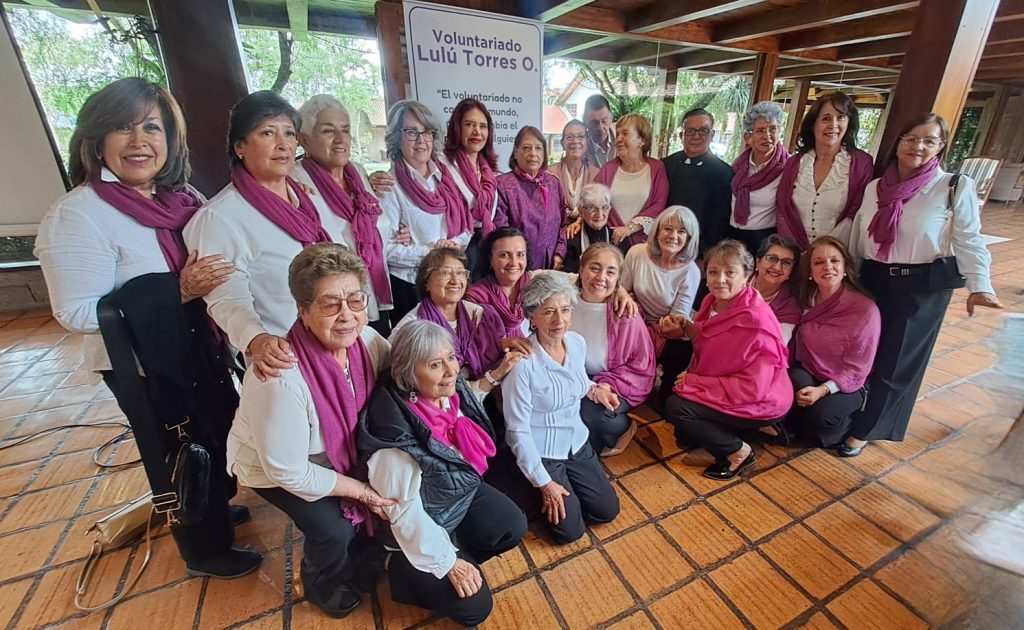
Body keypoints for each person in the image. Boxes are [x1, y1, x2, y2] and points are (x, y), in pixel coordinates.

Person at [35, 78, 260, 578]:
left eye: (152, 127)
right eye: (122, 127)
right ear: (95, 141)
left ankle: (214, 508)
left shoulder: (181, 198)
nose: (139, 141)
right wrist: (177, 291)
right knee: (178, 446)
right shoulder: (77, 215)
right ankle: (203, 549)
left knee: (215, 426)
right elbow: (75, 312)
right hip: (144, 363)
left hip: (200, 343)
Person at [227, 244, 394, 617]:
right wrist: (362, 492)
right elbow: (287, 470)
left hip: (336, 454)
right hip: (276, 469)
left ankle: (363, 560)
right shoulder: (281, 378)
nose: (348, 316)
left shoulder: (365, 342)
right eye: (330, 304)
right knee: (334, 529)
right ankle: (321, 584)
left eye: (355, 300)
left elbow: (401, 368)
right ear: (302, 311)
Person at [845, 113, 1003, 456]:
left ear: (940, 147)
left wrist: (980, 284)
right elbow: (860, 236)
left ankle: (867, 429)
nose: (918, 146)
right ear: (898, 142)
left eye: (929, 140)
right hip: (874, 277)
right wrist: (851, 277)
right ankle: (853, 410)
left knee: (897, 360)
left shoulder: (952, 186)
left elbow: (969, 239)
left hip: (919, 285)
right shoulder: (875, 188)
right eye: (911, 138)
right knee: (866, 351)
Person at [360, 320, 528, 627]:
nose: (451, 370)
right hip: (414, 520)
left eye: (451, 357)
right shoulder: (394, 439)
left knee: (512, 525)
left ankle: (450, 546)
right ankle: (398, 568)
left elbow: (465, 410)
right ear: (410, 373)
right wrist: (448, 563)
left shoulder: (444, 394)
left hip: (449, 497)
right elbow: (404, 513)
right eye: (436, 364)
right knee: (474, 608)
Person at [184, 91, 339, 381]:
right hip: (282, 355)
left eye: (289, 134)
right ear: (240, 146)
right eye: (268, 133)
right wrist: (257, 339)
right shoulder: (220, 218)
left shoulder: (307, 199)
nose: (283, 145)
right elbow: (226, 298)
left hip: (332, 340)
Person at [502, 274, 621, 543]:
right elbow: (517, 431)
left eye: (565, 310)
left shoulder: (576, 343)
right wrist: (544, 482)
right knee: (570, 531)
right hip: (543, 451)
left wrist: (595, 388)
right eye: (549, 312)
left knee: (606, 511)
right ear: (532, 317)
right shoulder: (522, 365)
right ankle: (527, 481)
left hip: (576, 442)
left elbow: (578, 382)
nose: (559, 321)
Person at [664, 240, 793, 480]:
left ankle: (739, 453)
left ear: (747, 275)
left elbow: (753, 387)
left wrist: (695, 383)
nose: (719, 279)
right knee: (685, 436)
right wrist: (685, 328)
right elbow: (712, 337)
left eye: (730, 272)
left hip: (762, 398)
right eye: (713, 272)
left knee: (676, 408)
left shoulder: (755, 321)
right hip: (730, 384)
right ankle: (743, 430)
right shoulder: (712, 301)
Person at [292, 94, 395, 335]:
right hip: (334, 306)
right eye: (328, 131)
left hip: (373, 290)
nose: (340, 139)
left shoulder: (358, 174)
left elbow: (377, 227)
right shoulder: (295, 181)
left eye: (346, 130)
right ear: (304, 140)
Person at [379, 100, 474, 323]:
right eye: (412, 132)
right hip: (411, 287)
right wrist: (434, 252)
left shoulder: (447, 176)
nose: (421, 140)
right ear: (396, 137)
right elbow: (388, 250)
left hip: (448, 282)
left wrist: (452, 246)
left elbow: (466, 227)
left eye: (427, 132)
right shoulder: (389, 186)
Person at [787, 236, 880, 447]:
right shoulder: (805, 299)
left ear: (845, 266)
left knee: (821, 417)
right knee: (788, 388)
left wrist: (823, 390)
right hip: (810, 370)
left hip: (848, 381)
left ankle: (845, 424)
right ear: (810, 272)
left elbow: (859, 366)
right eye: (818, 262)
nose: (827, 267)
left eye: (834, 261)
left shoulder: (864, 310)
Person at [391, 247, 523, 385]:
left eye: (461, 273)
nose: (455, 280)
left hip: (487, 395)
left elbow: (492, 354)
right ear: (426, 282)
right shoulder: (412, 327)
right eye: (446, 273)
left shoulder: (479, 314)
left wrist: (505, 345)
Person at [570, 244, 655, 456]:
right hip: (575, 375)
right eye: (594, 268)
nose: (601, 277)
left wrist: (606, 386)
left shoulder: (626, 314)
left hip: (614, 381)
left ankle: (624, 427)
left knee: (593, 415)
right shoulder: (565, 299)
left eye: (610, 272)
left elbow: (642, 365)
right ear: (581, 270)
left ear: (618, 279)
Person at [620, 206, 702, 404]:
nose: (673, 236)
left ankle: (665, 397)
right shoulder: (636, 253)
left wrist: (653, 328)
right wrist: (628, 299)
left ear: (689, 239)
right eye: (668, 229)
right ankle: (625, 388)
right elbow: (621, 290)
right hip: (635, 318)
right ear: (656, 231)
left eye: (682, 232)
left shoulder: (690, 271)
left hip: (666, 329)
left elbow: (676, 321)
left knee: (681, 351)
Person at [775, 92, 875, 250]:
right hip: (794, 251)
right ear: (813, 124)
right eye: (826, 118)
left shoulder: (862, 164)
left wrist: (823, 253)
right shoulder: (794, 163)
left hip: (837, 255)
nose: (833, 125)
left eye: (841, 117)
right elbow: (783, 209)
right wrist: (797, 253)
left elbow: (855, 213)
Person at [439, 98, 500, 274]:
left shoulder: (488, 169)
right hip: (456, 249)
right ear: (457, 128)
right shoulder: (443, 166)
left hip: (484, 246)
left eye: (483, 126)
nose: (477, 132)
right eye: (469, 124)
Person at [663, 108, 734, 257]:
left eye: (703, 131)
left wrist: (705, 256)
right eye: (690, 131)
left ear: (712, 134)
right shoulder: (665, 165)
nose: (696, 136)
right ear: (682, 135)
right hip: (664, 246)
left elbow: (720, 220)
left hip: (699, 252)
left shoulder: (724, 173)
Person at [494, 126, 566, 270]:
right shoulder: (503, 185)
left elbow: (564, 222)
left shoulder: (553, 183)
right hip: (516, 268)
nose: (533, 153)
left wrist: (559, 252)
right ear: (515, 152)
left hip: (552, 267)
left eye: (538, 148)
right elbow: (501, 232)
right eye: (526, 148)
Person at [595, 113, 670, 248]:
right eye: (617, 134)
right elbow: (592, 199)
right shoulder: (608, 169)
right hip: (611, 244)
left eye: (625, 133)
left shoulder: (657, 168)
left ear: (641, 140)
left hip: (644, 246)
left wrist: (630, 228)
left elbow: (659, 205)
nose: (618, 139)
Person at [730, 101, 789, 255]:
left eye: (773, 129)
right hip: (731, 237)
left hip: (763, 241)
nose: (767, 136)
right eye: (760, 130)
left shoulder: (787, 168)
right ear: (747, 137)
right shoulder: (737, 165)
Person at [562, 183, 627, 273]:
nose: (599, 214)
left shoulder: (619, 239)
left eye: (604, 208)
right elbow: (567, 276)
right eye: (592, 208)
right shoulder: (571, 239)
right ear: (581, 211)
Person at [751, 234, 802, 344]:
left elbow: (777, 343)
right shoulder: (738, 281)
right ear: (758, 261)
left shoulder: (790, 305)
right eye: (772, 259)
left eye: (786, 262)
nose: (777, 267)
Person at [548, 119, 599, 219]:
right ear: (562, 143)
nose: (575, 141)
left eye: (580, 136)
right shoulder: (550, 173)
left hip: (588, 232)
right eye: (570, 137)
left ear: (587, 142)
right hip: (556, 231)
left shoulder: (597, 174)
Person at [583, 94, 616, 167]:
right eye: (594, 123)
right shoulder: (582, 148)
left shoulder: (623, 137)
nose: (600, 128)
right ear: (585, 123)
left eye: (604, 121)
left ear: (611, 119)